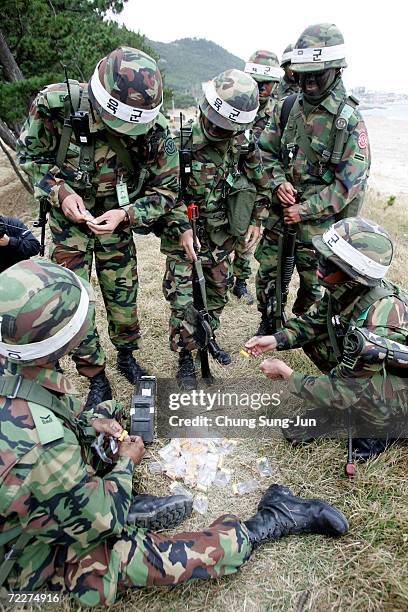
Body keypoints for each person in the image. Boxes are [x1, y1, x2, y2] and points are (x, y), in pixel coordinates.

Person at [0, 259, 349, 606]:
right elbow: (97, 521)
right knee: (110, 562)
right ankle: (266, 521)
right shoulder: (42, 445)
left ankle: (114, 502)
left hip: (26, 501)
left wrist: (88, 422)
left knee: (103, 417)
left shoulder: (12, 358)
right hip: (22, 554)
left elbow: (38, 412)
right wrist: (125, 465)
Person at [16, 47, 192, 409]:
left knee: (122, 292)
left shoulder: (155, 130)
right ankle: (95, 375)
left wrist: (126, 214)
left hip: (117, 215)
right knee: (75, 298)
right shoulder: (55, 105)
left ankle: (126, 355)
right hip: (68, 221)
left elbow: (165, 191)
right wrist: (61, 193)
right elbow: (30, 159)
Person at [246, 217, 408, 459]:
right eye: (320, 256)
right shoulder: (346, 290)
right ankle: (342, 405)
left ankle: (384, 425)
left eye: (329, 263)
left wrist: (287, 374)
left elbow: (345, 389)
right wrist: (276, 339)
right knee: (319, 340)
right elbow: (313, 323)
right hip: (361, 374)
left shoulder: (381, 320)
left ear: (354, 275)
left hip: (396, 391)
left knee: (367, 388)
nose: (318, 266)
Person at [158, 69, 271, 389]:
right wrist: (181, 227)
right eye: (214, 121)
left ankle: (208, 339)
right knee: (184, 302)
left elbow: (262, 184)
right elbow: (163, 194)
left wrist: (257, 219)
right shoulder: (179, 143)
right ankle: (184, 358)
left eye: (225, 128)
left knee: (217, 296)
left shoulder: (242, 144)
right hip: (184, 239)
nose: (216, 130)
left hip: (222, 239)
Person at [255, 23, 371, 335]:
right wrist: (278, 182)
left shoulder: (349, 122)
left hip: (320, 228)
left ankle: (302, 332)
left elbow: (348, 186)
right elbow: (263, 151)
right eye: (302, 75)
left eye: (316, 76)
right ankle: (268, 321)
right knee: (268, 272)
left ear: (337, 71)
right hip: (279, 216)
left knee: (314, 286)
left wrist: (304, 211)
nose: (307, 83)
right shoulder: (287, 107)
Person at [230, 50, 282, 306]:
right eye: (257, 82)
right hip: (228, 177)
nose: (262, 88)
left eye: (267, 83)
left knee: (247, 235)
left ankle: (240, 280)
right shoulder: (236, 103)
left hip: (258, 184)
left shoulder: (279, 112)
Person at [0, 214, 41, 376]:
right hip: (3, 295)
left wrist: (10, 242)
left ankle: (48, 363)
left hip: (24, 287)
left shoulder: (10, 224)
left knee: (34, 328)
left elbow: (34, 246)